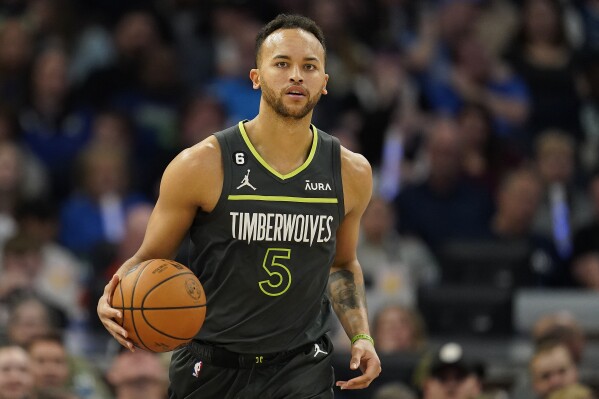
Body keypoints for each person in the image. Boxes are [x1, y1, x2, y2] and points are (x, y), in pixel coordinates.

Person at [97, 13, 381, 398]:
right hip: (211, 367)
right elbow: (149, 258)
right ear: (256, 77)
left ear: (325, 83)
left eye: (309, 66)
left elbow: (343, 263)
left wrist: (361, 335)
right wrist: (111, 297)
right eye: (282, 64)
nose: (296, 75)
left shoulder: (351, 171)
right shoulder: (199, 165)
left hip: (301, 367)